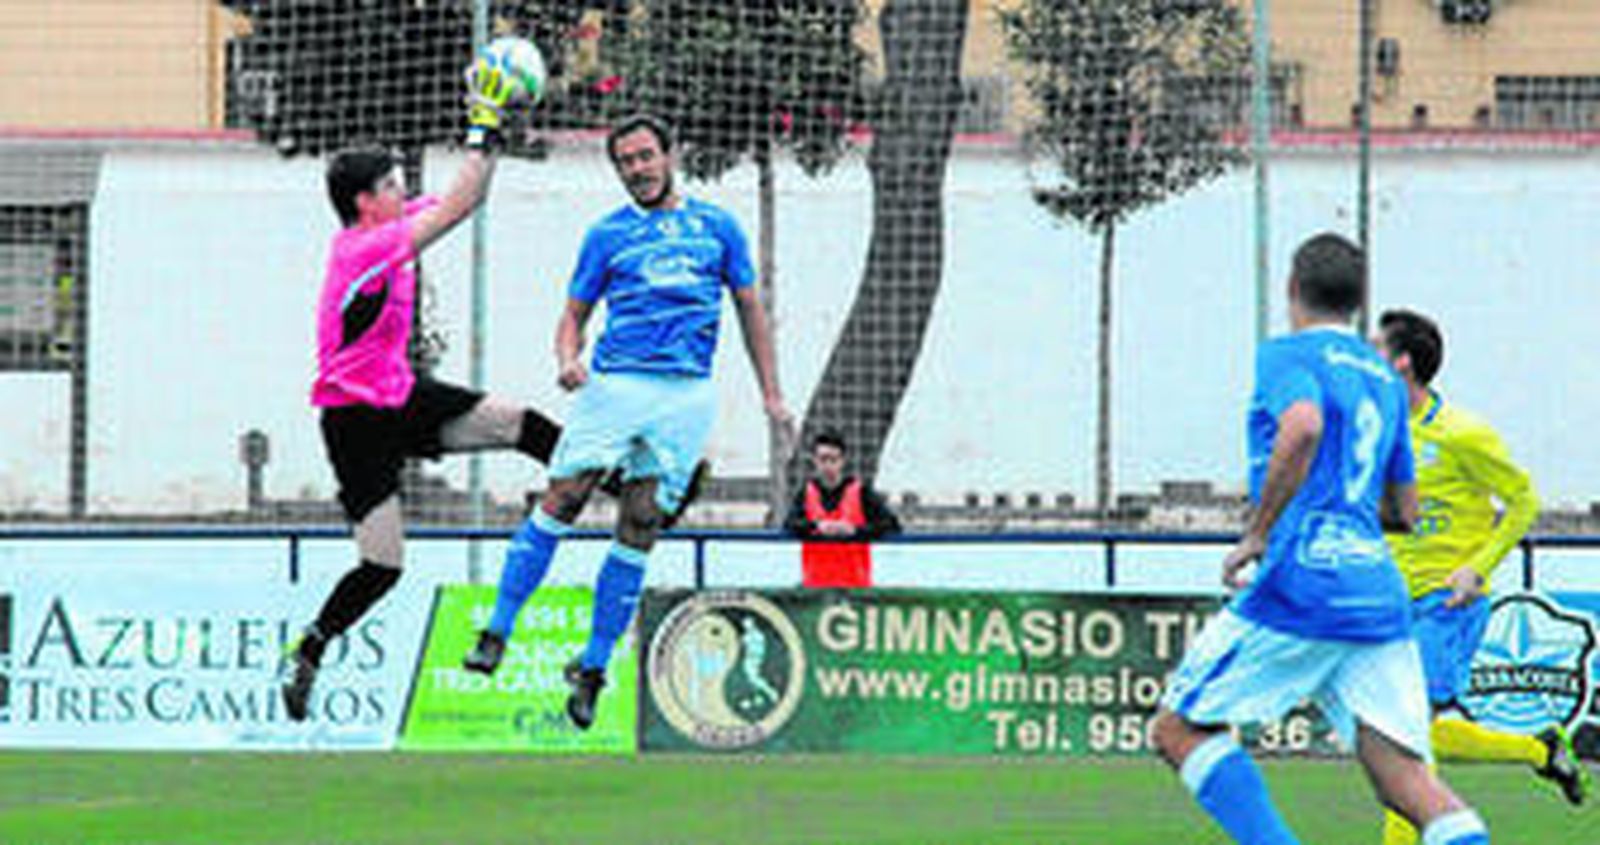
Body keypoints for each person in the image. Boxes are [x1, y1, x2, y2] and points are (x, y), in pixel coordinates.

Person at [1149, 233, 1491, 845]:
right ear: (1358, 303)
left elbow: (1302, 426)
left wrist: (1257, 532)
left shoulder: (1286, 355)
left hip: (1303, 579)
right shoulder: (1385, 382)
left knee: (1178, 728)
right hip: (1377, 593)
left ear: (1290, 289)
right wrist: (1349, 508)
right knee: (1405, 778)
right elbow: (1406, 511)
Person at [461, 113, 793, 731]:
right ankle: (496, 631)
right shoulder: (607, 235)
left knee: (641, 521)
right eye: (625, 162)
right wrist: (567, 358)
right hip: (615, 385)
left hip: (686, 393)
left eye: (645, 156)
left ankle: (591, 667)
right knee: (566, 493)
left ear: (670, 155)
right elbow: (572, 316)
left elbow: (750, 310)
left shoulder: (718, 228)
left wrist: (772, 396)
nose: (636, 169)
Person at [279, 57, 558, 722]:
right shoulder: (361, 248)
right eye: (392, 185)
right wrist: (483, 121)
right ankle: (311, 647)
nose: (402, 192)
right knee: (383, 564)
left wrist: (494, 131)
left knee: (522, 423)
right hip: (355, 420)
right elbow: (458, 201)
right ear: (364, 202)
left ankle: (631, 489)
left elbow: (469, 197)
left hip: (402, 394)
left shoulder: (390, 228)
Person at [1374, 308, 1589, 843]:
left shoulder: (1462, 434)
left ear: (1401, 364)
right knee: (1417, 741)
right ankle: (1541, 749)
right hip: (1392, 609)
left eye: (1373, 347)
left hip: (1446, 604)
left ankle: (1538, 750)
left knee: (1404, 742)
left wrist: (1479, 566)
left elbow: (1522, 502)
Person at [783, 428, 901, 587]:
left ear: (843, 461)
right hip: (815, 588)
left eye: (833, 459)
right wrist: (817, 526)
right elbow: (789, 524)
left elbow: (892, 525)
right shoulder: (806, 493)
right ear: (815, 461)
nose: (828, 465)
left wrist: (855, 531)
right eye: (823, 459)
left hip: (855, 589)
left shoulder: (861, 492)